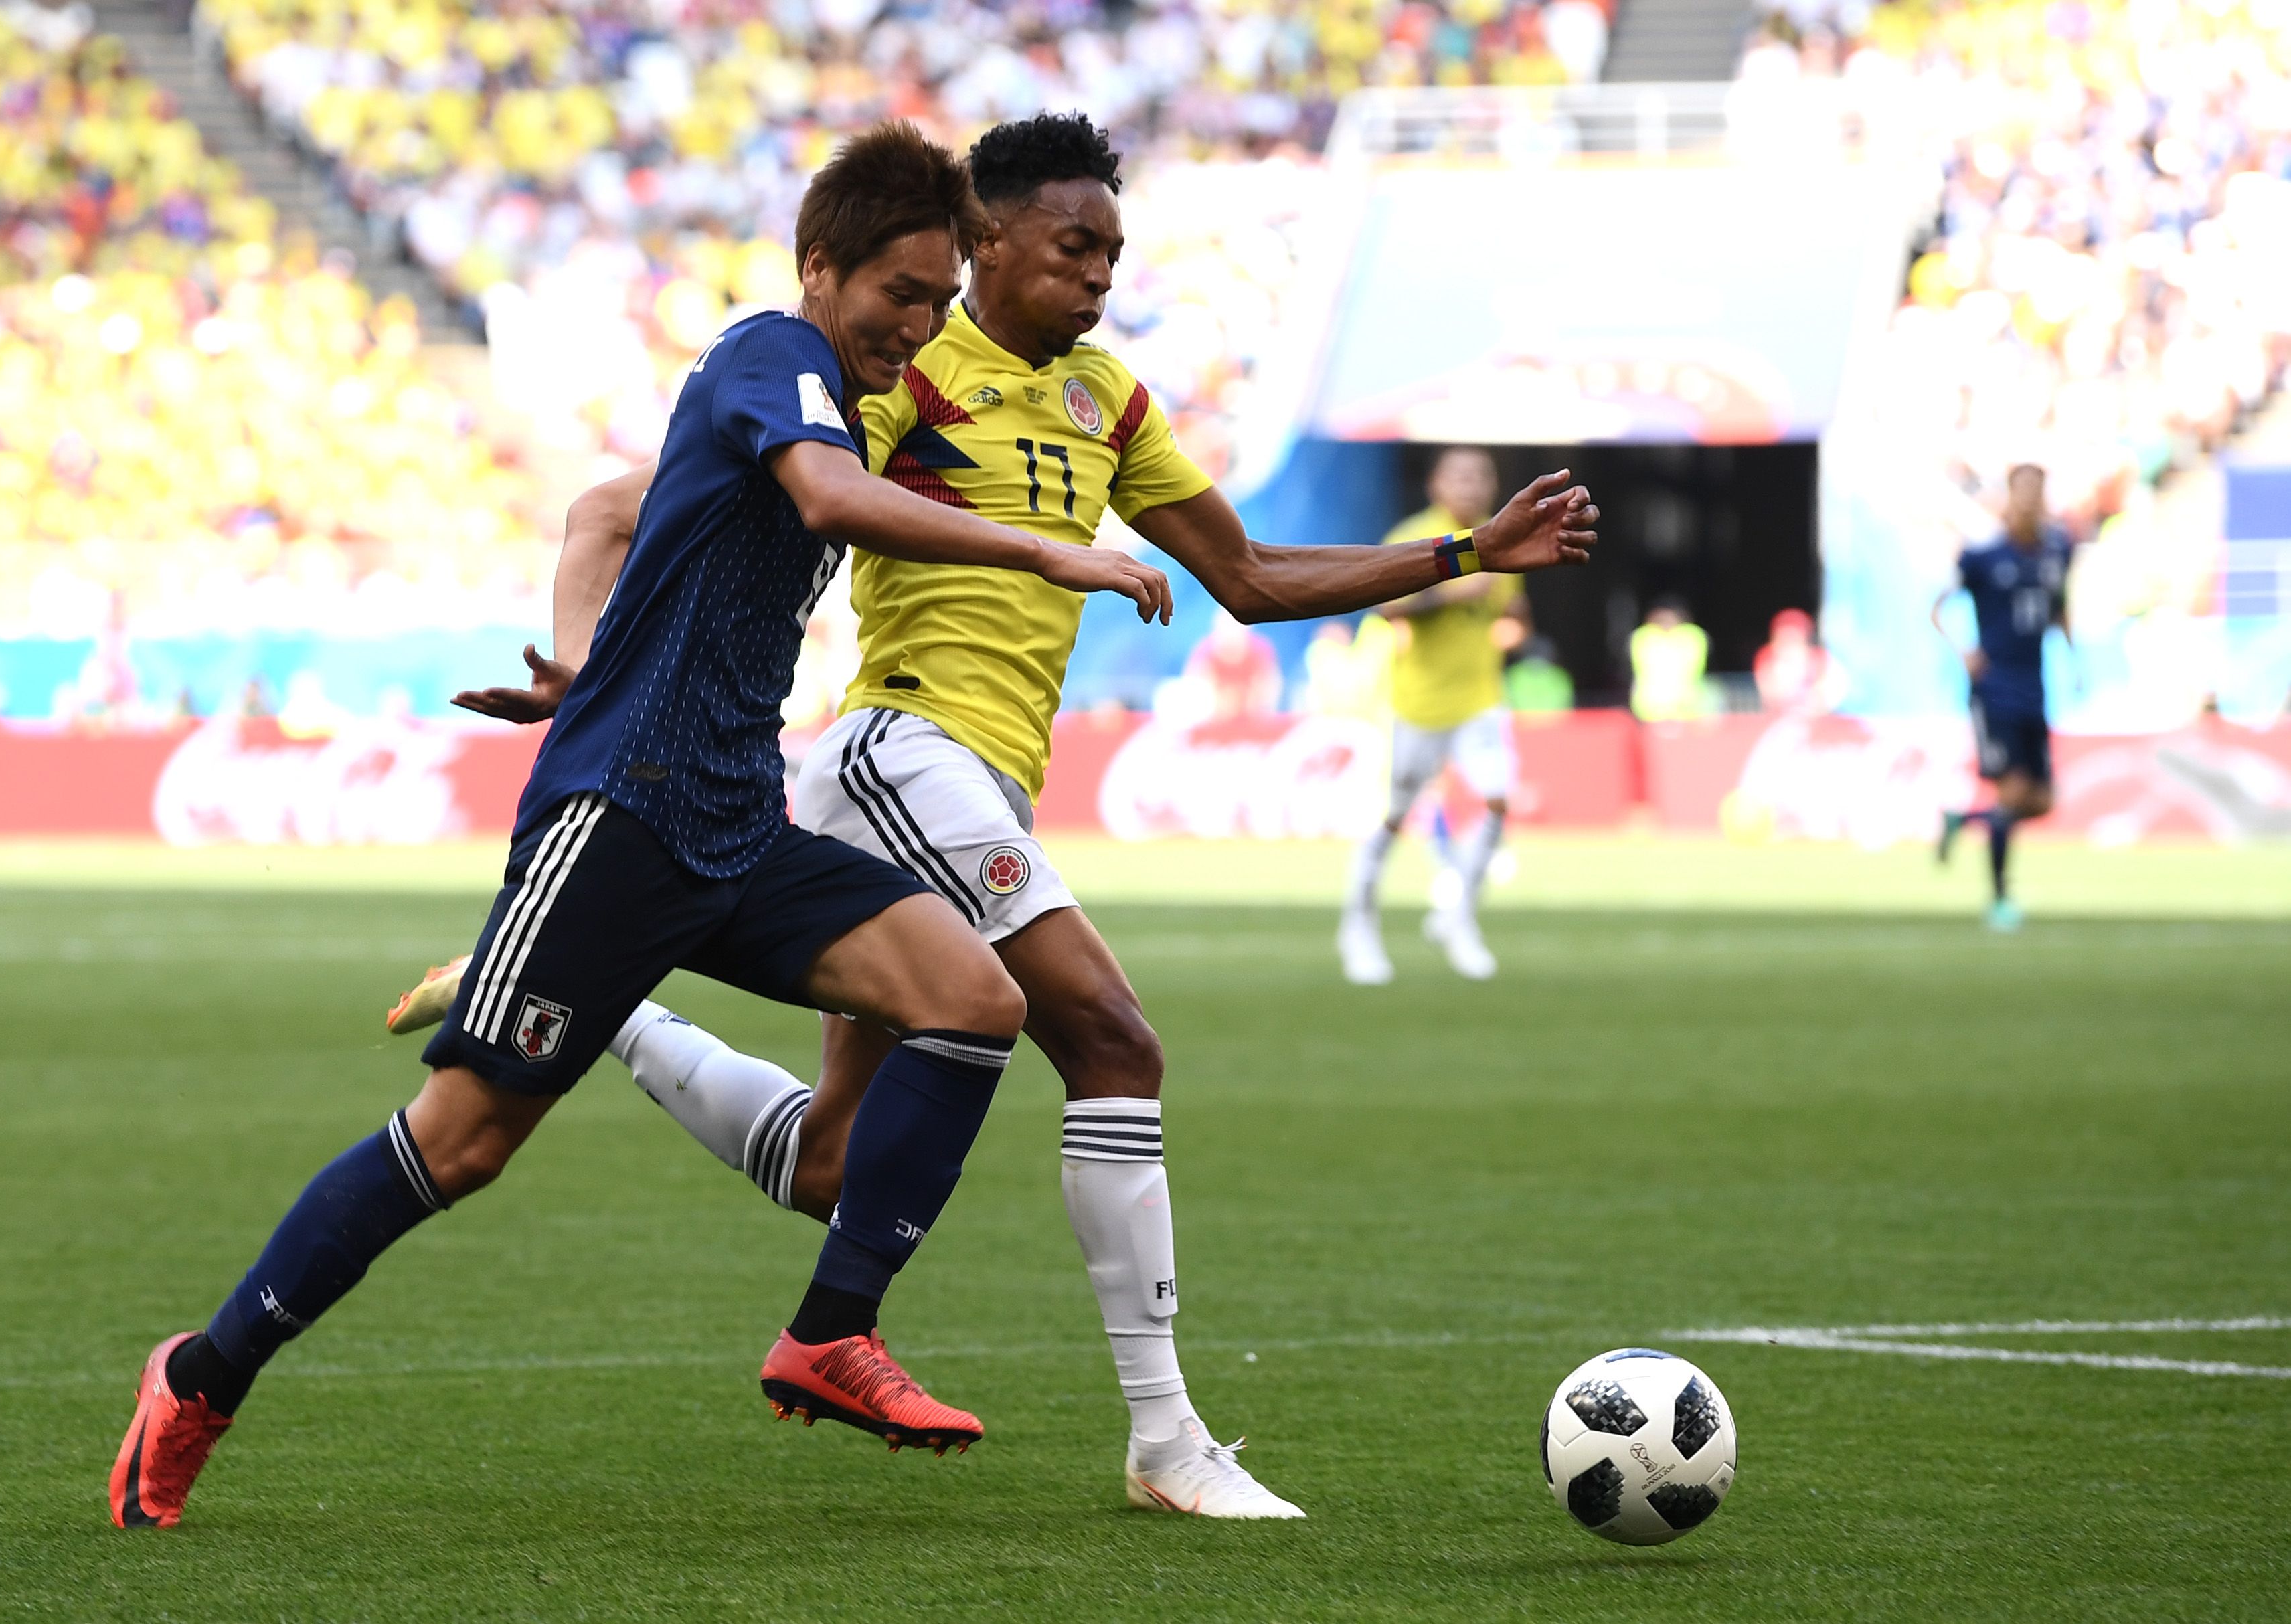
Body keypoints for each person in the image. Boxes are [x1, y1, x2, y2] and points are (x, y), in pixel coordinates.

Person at [394, 113, 1600, 1519]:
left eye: (1113, 254)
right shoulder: (898, 374)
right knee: (1110, 1036)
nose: (1097, 274)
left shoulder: (1108, 401)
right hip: (899, 752)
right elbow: (614, 513)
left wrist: (1461, 551)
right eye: (1072, 245)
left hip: (969, 787)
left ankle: (613, 1012)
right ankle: (1166, 1439)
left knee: (830, 1164)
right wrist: (594, 669)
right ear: (988, 240)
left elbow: (1254, 576)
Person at [108, 123, 1181, 1529]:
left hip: (735, 818)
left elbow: (606, 510)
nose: (917, 327)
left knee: (972, 998)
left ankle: (829, 1332)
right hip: (618, 819)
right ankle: (201, 1373)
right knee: (463, 1142)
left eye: (934, 300)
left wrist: (577, 658)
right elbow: (819, 495)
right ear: (820, 268)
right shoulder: (767, 355)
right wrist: (1044, 547)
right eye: (896, 295)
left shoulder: (853, 402)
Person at [1338, 446, 1530, 984]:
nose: (1471, 485)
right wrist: (1451, 594)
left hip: (1480, 699)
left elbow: (1513, 614)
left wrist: (1512, 629)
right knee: (1395, 819)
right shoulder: (1415, 536)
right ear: (1435, 484)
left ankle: (1459, 917)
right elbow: (1384, 604)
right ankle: (1357, 926)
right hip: (1419, 704)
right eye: (1459, 475)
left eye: (1480, 475)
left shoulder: (1500, 538)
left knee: (1498, 799)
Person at [1934, 462, 2073, 932]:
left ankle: (1964, 820)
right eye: (2022, 490)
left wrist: (2072, 655)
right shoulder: (1983, 557)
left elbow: (2059, 606)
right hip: (1995, 689)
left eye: (2038, 490)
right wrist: (1964, 652)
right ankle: (1998, 900)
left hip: (2035, 688)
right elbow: (1938, 608)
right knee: (2012, 792)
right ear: (2009, 498)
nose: (2030, 500)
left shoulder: (2058, 551)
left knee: (2041, 801)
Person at [1628, 598, 1709, 722]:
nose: (1665, 620)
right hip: (1650, 708)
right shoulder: (1644, 637)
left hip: (1686, 707)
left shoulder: (1692, 637)